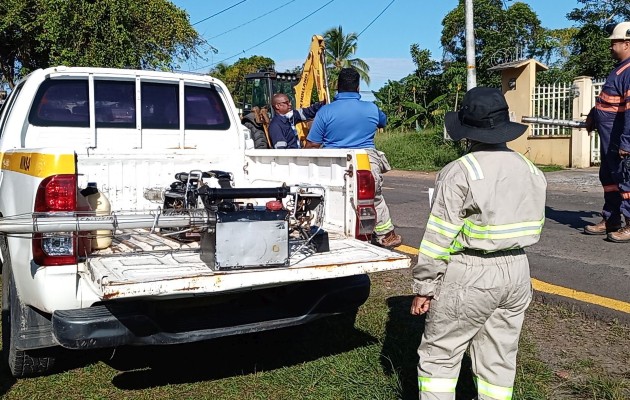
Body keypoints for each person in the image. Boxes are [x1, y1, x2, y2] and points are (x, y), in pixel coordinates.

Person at [410, 87, 547, 400]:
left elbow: (438, 238)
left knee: (440, 356)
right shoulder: (530, 169)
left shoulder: (460, 171)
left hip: (471, 272)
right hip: (517, 271)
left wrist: (424, 288)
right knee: (498, 359)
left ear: (466, 130)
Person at [304, 67, 402, 248]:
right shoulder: (371, 108)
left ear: (337, 86)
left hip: (334, 161)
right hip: (366, 159)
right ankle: (386, 235)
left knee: (331, 197)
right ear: (358, 87)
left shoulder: (325, 112)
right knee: (374, 197)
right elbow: (383, 121)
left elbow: (313, 145)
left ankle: (331, 231)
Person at [583, 21, 630, 241]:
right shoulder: (619, 70)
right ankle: (611, 220)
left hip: (619, 138)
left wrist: (627, 142)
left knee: (625, 180)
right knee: (609, 178)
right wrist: (594, 113)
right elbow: (610, 101)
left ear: (627, 43)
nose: (611, 46)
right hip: (608, 139)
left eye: (614, 42)